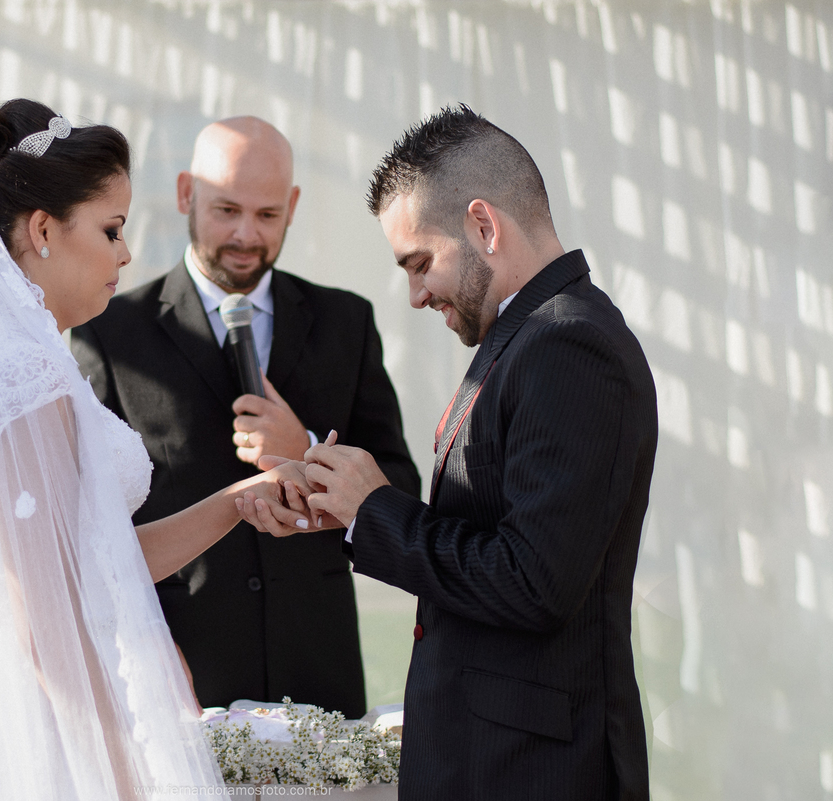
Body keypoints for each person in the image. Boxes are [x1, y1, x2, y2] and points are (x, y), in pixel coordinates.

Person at [0, 100, 308, 800]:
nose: (126, 254)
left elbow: (89, 558)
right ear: (43, 229)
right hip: (21, 731)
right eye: (111, 229)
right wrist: (126, 777)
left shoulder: (9, 361)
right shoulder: (20, 376)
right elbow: (47, 622)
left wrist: (232, 504)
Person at [238, 106, 658, 800]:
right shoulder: (522, 338)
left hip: (535, 771)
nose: (413, 294)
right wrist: (350, 510)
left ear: (483, 225)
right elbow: (492, 540)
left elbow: (533, 580)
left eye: (420, 262)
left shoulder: (570, 346)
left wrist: (375, 511)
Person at [70, 116, 420, 718]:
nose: (245, 235)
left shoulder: (347, 323)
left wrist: (307, 448)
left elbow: (402, 488)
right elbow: (88, 522)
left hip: (319, 673)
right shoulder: (109, 334)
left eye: (266, 215)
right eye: (226, 210)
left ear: (293, 205)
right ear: (186, 193)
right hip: (181, 672)